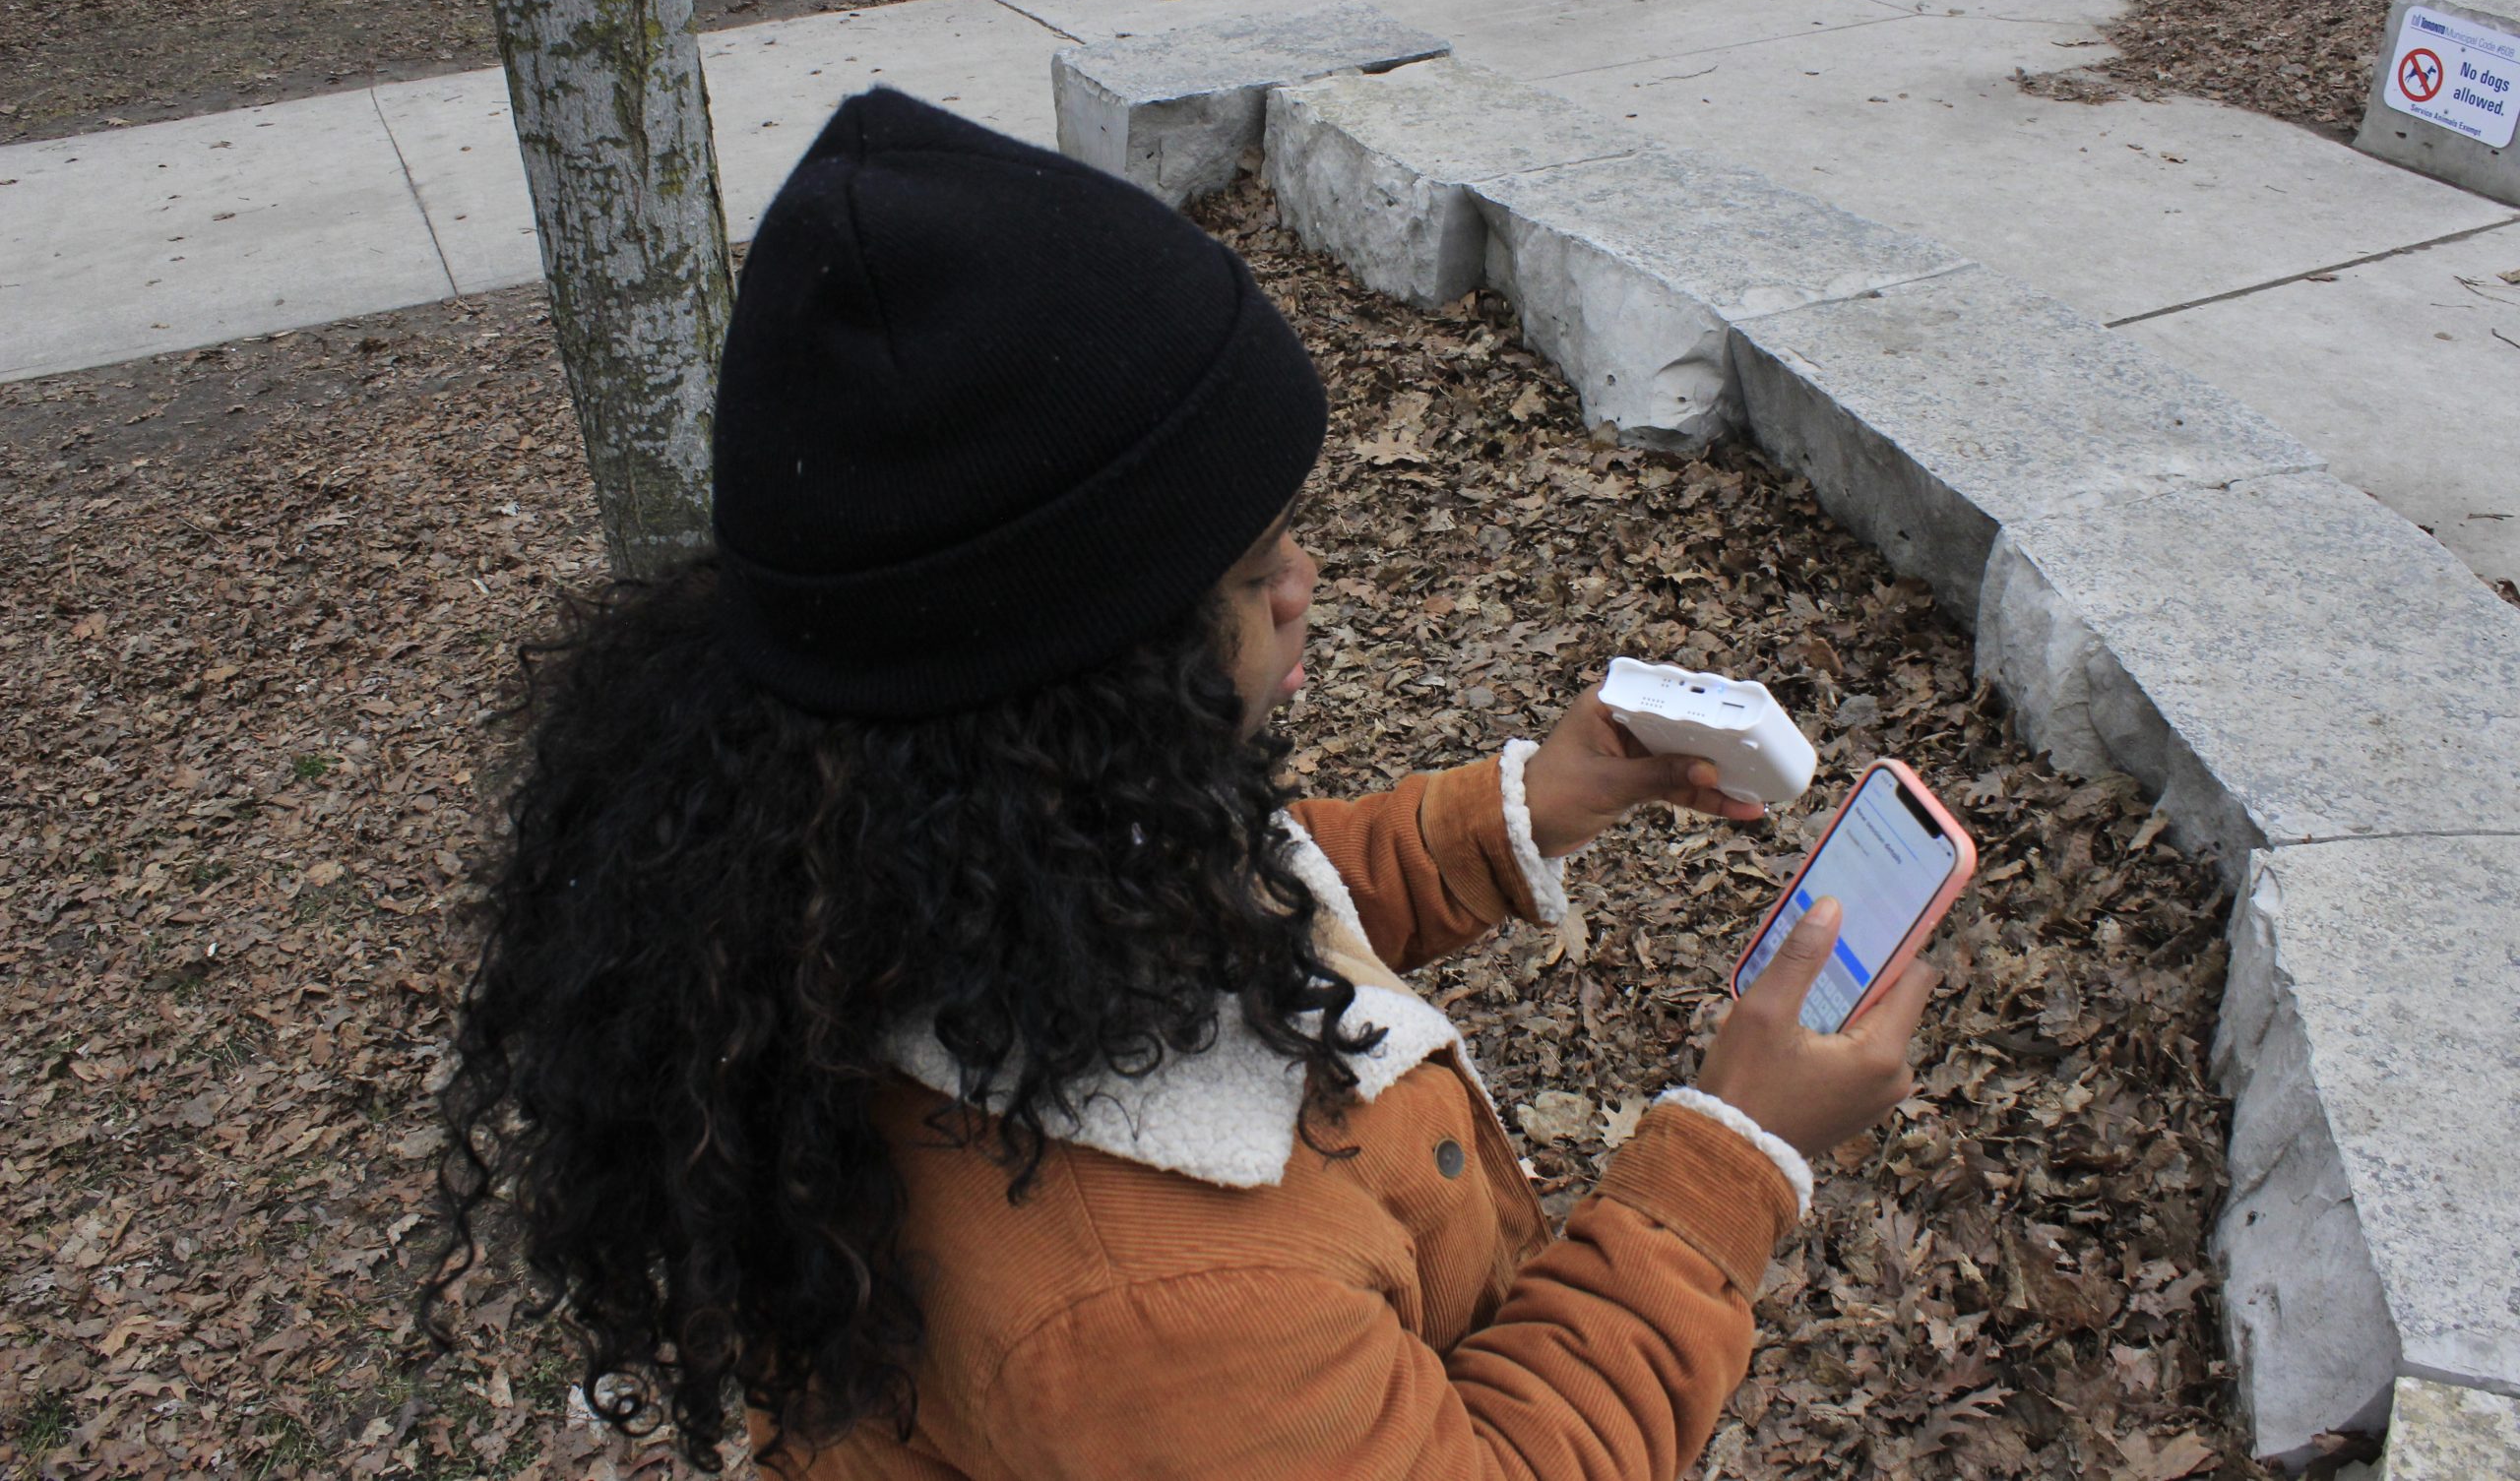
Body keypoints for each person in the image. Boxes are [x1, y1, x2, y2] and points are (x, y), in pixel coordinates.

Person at [427, 89, 1939, 1480]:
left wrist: (1524, 809)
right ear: (1082, 672)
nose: (1306, 584)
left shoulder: (906, 851)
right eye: (1251, 564)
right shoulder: (1158, 1295)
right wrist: (1730, 1160)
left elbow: (1250, 891)